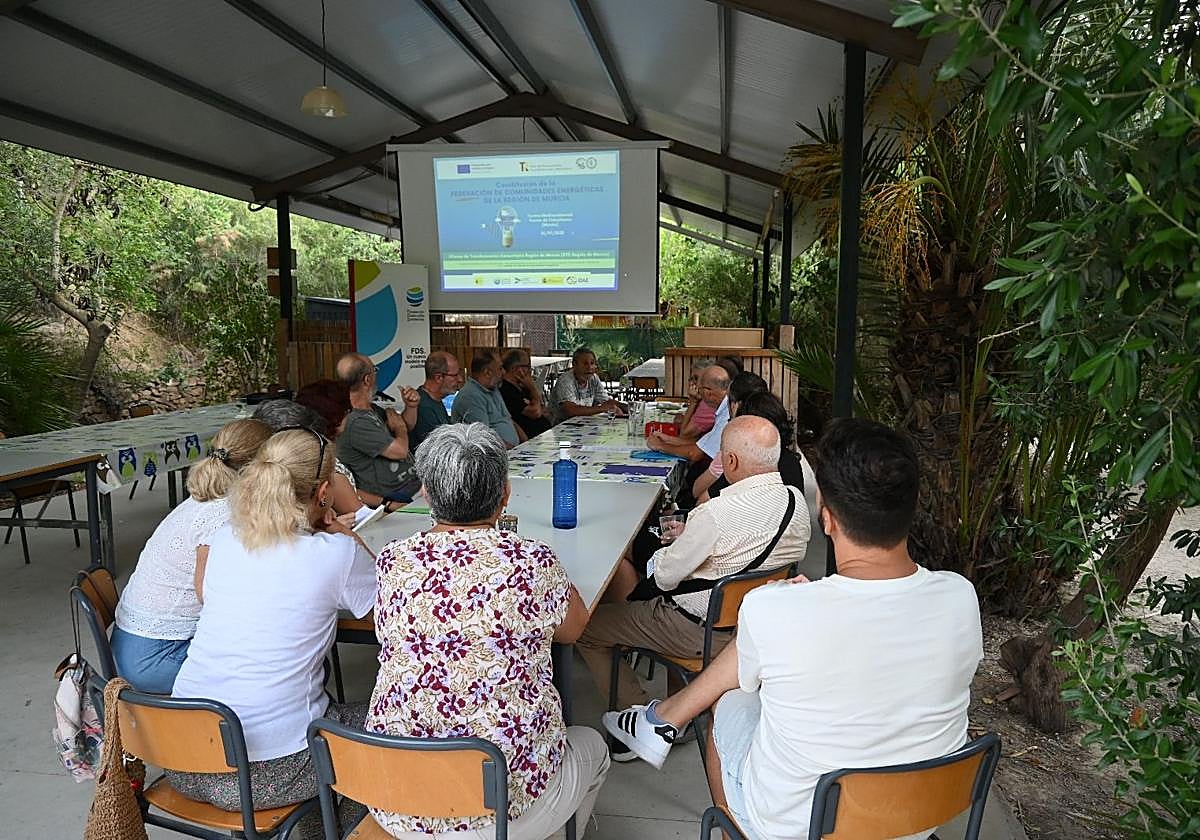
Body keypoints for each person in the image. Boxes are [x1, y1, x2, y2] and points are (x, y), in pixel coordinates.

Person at [603, 419, 983, 840]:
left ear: (828, 518)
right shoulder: (961, 597)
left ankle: (666, 725)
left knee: (729, 702)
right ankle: (662, 719)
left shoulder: (774, 609)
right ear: (911, 510)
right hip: (919, 818)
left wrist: (785, 603)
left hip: (798, 825)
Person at [367, 423, 609, 839]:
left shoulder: (393, 560)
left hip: (396, 793)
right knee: (593, 746)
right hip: (502, 805)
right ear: (506, 495)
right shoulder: (532, 561)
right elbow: (574, 629)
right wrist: (551, 573)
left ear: (426, 493)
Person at [168, 429, 378, 830]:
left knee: (325, 720)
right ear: (323, 493)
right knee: (393, 724)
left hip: (182, 753)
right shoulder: (335, 553)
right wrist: (345, 535)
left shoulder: (224, 540)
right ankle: (340, 832)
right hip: (262, 774)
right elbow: (386, 610)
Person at [575, 416, 811, 730]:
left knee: (587, 629)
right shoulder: (796, 502)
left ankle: (644, 719)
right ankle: (679, 710)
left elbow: (664, 577)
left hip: (699, 629)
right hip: (754, 626)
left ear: (730, 460)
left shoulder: (715, 513)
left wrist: (670, 548)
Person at [111, 418, 271, 693]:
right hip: (153, 657)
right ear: (260, 468)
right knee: (272, 666)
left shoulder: (211, 499)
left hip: (137, 645)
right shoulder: (221, 514)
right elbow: (207, 593)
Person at [335, 353, 422, 503]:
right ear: (367, 380)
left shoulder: (370, 409)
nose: (376, 375)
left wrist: (411, 407)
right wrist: (399, 427)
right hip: (395, 495)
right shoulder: (356, 421)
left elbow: (405, 428)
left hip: (411, 484)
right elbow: (399, 450)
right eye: (374, 370)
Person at [295, 379, 377, 514]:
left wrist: (384, 502)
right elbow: (361, 516)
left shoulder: (304, 448)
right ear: (336, 416)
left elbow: (347, 491)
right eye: (347, 411)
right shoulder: (326, 464)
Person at [450, 349, 521, 448]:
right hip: (493, 456)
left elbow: (509, 420)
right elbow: (485, 438)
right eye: (500, 368)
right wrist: (515, 451)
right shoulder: (470, 396)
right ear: (487, 372)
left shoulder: (493, 388)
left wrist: (526, 443)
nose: (504, 372)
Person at [551, 347, 625, 420]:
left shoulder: (593, 378)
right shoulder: (566, 380)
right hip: (560, 426)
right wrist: (602, 408)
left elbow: (606, 401)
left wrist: (628, 407)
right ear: (574, 364)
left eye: (592, 363)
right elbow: (571, 410)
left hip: (581, 424)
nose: (589, 367)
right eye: (585, 363)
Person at [409, 351, 463, 451]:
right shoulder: (424, 408)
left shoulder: (435, 400)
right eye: (455, 375)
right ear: (438, 378)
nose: (460, 379)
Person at [500, 348, 553, 440]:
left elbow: (545, 411)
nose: (530, 371)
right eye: (527, 366)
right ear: (517, 369)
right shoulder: (506, 390)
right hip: (530, 440)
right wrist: (533, 388)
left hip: (544, 436)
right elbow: (536, 413)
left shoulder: (523, 387)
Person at [673, 360, 717, 440]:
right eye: (691, 379)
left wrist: (693, 401)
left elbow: (684, 434)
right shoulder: (705, 400)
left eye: (696, 378)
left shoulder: (709, 404)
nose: (692, 383)